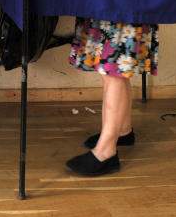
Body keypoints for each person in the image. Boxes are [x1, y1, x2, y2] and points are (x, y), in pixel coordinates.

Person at [65, 18, 158, 176]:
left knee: (113, 69)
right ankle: (123, 131)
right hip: (112, 0)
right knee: (114, 69)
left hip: (122, 2)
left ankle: (105, 152)